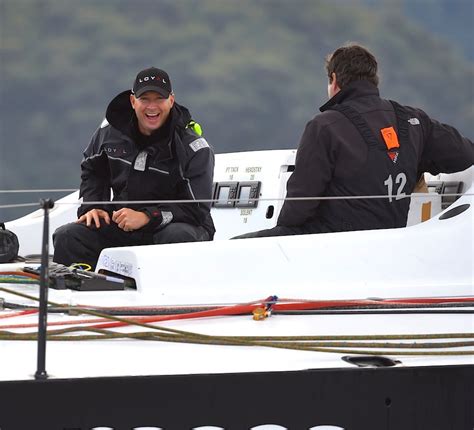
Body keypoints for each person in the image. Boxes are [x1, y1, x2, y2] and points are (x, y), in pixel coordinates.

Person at [235, 43, 473, 239]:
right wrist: (416, 162)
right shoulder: (414, 120)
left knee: (238, 245)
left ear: (335, 79)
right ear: (373, 80)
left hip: (333, 242)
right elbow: (464, 155)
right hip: (394, 241)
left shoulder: (324, 126)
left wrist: (284, 228)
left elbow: (299, 208)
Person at [53, 67, 215, 268]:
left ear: (171, 101)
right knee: (67, 236)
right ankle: (84, 292)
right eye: (145, 99)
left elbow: (197, 209)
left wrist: (147, 216)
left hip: (178, 226)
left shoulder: (194, 147)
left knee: (176, 236)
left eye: (159, 99)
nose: (152, 107)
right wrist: (94, 206)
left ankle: (165, 296)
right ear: (133, 101)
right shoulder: (108, 133)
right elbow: (93, 169)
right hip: (125, 223)